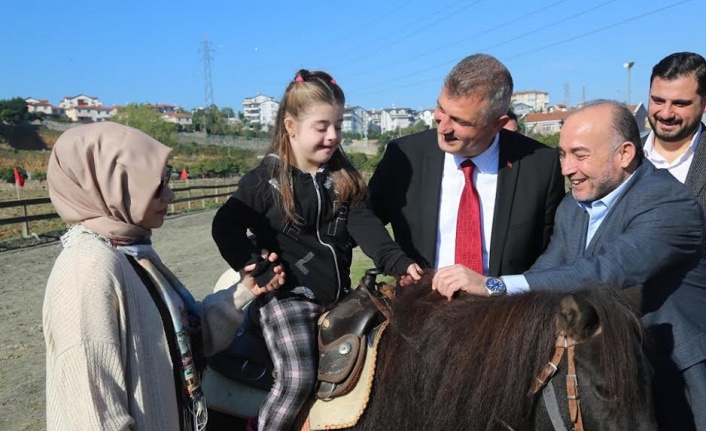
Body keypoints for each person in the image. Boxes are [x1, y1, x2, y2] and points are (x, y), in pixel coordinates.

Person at [434, 101, 706, 431]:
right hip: (611, 385)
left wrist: (494, 286)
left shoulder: (670, 204)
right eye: (562, 154)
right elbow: (545, 273)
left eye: (579, 155)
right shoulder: (573, 206)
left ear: (624, 154)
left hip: (673, 379)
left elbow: (603, 272)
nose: (566, 168)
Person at [211, 69, 422, 430]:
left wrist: (398, 262)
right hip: (287, 297)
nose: (333, 136)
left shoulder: (343, 178)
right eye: (322, 127)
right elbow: (225, 225)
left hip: (339, 294)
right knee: (297, 378)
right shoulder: (265, 181)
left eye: (338, 125)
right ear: (291, 127)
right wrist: (249, 263)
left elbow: (368, 228)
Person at [43, 122, 281, 430]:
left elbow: (187, 341)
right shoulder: (87, 267)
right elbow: (94, 418)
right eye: (157, 185)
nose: (169, 195)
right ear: (117, 185)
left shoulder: (131, 254)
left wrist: (245, 290)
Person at [368, 54, 565, 286]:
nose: (443, 128)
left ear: (497, 125)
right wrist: (392, 259)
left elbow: (553, 253)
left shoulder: (540, 165)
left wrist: (496, 289)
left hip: (506, 313)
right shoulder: (405, 156)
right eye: (441, 110)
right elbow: (362, 215)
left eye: (460, 121)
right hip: (422, 310)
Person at [644, 51, 706, 211]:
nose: (666, 113)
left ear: (704, 105)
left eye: (680, 104)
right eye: (658, 101)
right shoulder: (621, 157)